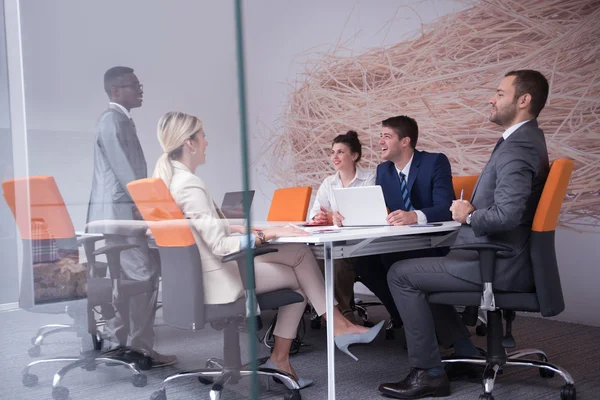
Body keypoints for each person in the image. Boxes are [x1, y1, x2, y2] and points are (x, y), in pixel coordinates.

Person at [152, 111, 385, 388]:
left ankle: (318, 334)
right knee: (298, 284)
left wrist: (248, 230)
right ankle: (310, 340)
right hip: (218, 278)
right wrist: (268, 234)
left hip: (195, 276)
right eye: (202, 136)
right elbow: (218, 244)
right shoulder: (189, 184)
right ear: (189, 143)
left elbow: (206, 229)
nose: (206, 142)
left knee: (299, 255)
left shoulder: (168, 181)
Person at [379, 70, 551, 399]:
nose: (492, 98)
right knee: (413, 269)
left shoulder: (518, 148)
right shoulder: (523, 141)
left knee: (401, 274)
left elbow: (508, 215)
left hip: (498, 262)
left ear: (523, 100)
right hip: (495, 255)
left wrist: (469, 213)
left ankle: (428, 373)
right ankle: (466, 353)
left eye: (500, 93)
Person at [86, 66, 176, 366]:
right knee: (145, 275)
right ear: (115, 91)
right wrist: (150, 209)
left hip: (117, 213)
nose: (140, 89)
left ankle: (120, 340)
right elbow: (126, 172)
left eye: (139, 84)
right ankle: (138, 347)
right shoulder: (112, 120)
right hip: (120, 214)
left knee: (126, 278)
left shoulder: (118, 120)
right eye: (134, 85)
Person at [334, 116, 454, 325]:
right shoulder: (384, 171)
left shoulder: (434, 162)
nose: (380, 141)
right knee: (365, 263)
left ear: (405, 141)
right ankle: (405, 318)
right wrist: (344, 216)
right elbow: (380, 211)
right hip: (399, 242)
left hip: (432, 242)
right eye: (380, 136)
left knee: (390, 260)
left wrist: (415, 216)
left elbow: (447, 208)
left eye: (387, 136)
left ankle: (428, 325)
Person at [308, 130, 375, 323]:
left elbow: (368, 212)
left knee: (336, 259)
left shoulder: (369, 179)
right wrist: (322, 216)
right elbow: (314, 213)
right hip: (336, 241)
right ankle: (331, 311)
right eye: (332, 152)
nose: (334, 157)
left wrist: (336, 217)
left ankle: (345, 315)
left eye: (340, 152)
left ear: (354, 156)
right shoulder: (329, 182)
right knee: (315, 258)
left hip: (363, 242)